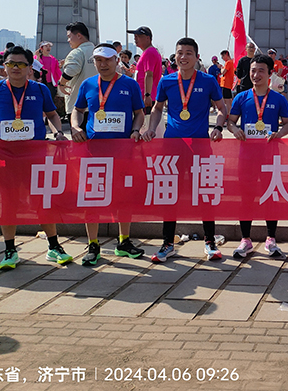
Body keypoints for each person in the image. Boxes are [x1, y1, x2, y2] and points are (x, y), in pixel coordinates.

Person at [0, 46, 71, 270]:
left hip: (35, 155)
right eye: (11, 63)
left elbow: (52, 114)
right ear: (4, 66)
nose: (15, 68)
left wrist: (58, 132)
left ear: (29, 68)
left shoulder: (40, 89)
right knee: (7, 202)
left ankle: (54, 246)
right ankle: (10, 250)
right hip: (5, 156)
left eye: (20, 64)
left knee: (42, 200)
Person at [142, 38, 227, 263]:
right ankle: (167, 243)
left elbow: (221, 108)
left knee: (205, 192)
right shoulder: (167, 81)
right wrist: (152, 128)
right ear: (175, 56)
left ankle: (210, 241)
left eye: (189, 53)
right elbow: (157, 108)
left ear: (197, 57)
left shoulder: (208, 81)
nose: (183, 57)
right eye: (180, 53)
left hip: (200, 145)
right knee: (170, 192)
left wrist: (218, 127)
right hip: (172, 145)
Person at [72, 44, 147, 266]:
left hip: (123, 151)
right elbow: (78, 110)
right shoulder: (87, 84)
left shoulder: (130, 85)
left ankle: (124, 241)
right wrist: (75, 127)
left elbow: (139, 113)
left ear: (117, 60)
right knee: (92, 198)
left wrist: (136, 130)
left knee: (123, 197)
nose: (103, 64)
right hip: (94, 152)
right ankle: (93, 244)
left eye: (107, 60)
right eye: (98, 60)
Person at [226, 54, 288, 258]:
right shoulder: (241, 97)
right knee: (246, 197)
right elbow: (230, 122)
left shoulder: (279, 99)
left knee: (271, 195)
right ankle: (245, 239)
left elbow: (287, 124)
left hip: (270, 156)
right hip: (246, 156)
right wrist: (235, 130)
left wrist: (278, 134)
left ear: (270, 73)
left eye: (261, 70)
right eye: (253, 71)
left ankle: (271, 238)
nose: (256, 75)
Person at [59, 21, 97, 123]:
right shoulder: (98, 52)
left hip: (78, 106)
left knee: (78, 132)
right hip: (98, 103)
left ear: (79, 35)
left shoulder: (77, 52)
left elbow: (71, 70)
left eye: (69, 37)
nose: (68, 40)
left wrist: (61, 83)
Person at [127, 26, 161, 115]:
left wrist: (147, 95)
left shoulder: (149, 52)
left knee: (145, 121)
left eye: (138, 36)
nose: (135, 38)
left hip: (147, 96)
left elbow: (149, 74)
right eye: (135, 36)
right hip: (145, 95)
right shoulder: (147, 52)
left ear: (147, 38)